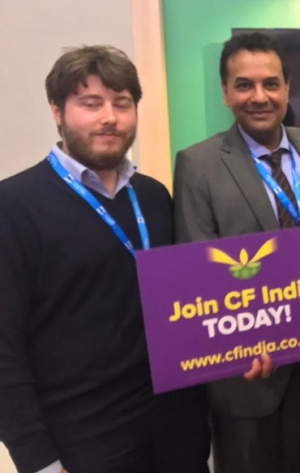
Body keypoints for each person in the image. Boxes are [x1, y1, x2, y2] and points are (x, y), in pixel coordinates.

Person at [0, 46, 210, 473]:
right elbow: (3, 349)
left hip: (177, 433)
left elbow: (185, 306)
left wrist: (237, 349)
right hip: (83, 441)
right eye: (90, 104)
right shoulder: (13, 206)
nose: (109, 117)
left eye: (122, 103)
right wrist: (38, 460)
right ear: (57, 111)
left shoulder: (153, 196)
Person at [173, 31, 300, 473]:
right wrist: (240, 344)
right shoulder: (200, 163)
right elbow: (199, 268)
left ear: (288, 89)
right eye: (244, 85)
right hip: (244, 371)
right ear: (226, 93)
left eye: (271, 83)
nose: (259, 96)